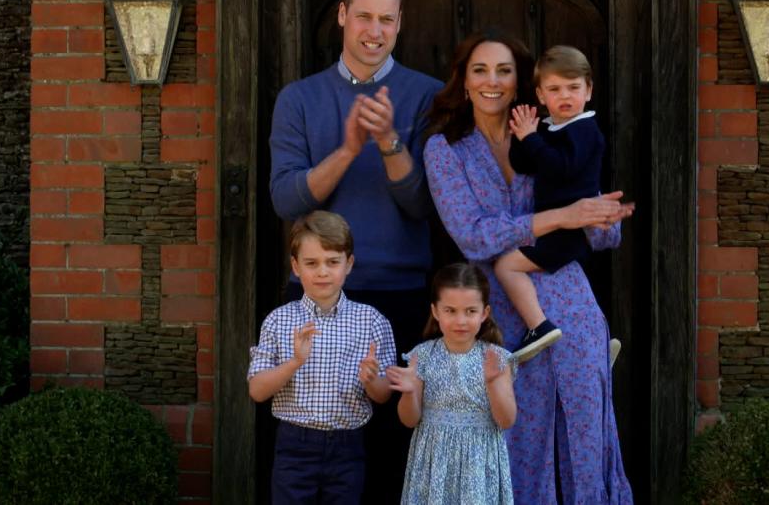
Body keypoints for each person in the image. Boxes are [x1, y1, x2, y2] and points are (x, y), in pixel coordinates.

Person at [423, 30, 635, 504]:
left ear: (521, 84)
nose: (491, 81)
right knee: (512, 441)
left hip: (571, 307)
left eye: (504, 71)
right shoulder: (445, 149)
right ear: (464, 80)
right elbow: (472, 235)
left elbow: (602, 234)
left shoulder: (554, 134)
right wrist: (562, 217)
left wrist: (602, 218)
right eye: (480, 70)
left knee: (584, 438)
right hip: (498, 316)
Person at [267, 0, 442, 500]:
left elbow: (423, 206)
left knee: (393, 453)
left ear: (399, 24)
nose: (374, 30)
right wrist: (346, 150)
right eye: (363, 16)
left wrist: (389, 141)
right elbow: (287, 201)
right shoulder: (299, 98)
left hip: (403, 297)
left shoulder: (428, 96)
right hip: (318, 298)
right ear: (342, 15)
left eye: (386, 19)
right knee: (317, 451)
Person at [247, 211, 396, 504]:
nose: (323, 272)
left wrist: (371, 381)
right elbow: (257, 390)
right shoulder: (279, 320)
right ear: (295, 266)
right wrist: (294, 362)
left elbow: (383, 396)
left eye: (332, 262)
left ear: (349, 264)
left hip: (347, 446)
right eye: (311, 263)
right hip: (294, 445)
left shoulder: (371, 321)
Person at [495, 45, 606, 362]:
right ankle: (591, 344)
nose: (565, 96)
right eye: (555, 89)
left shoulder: (585, 129)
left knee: (506, 265)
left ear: (588, 90)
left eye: (573, 87)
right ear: (541, 96)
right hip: (554, 227)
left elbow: (560, 168)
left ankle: (538, 327)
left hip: (568, 231)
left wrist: (532, 139)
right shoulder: (551, 127)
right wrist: (522, 135)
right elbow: (524, 164)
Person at [387, 263, 516, 505]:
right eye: (450, 310)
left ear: (484, 313)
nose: (461, 320)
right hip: (433, 461)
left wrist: (492, 383)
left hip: (479, 461)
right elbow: (409, 420)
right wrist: (409, 392)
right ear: (435, 311)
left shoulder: (497, 359)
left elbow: (506, 420)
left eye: (470, 311)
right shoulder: (421, 356)